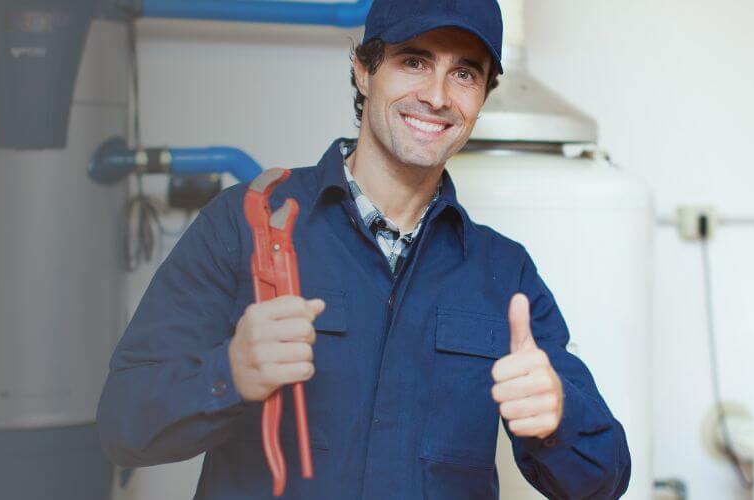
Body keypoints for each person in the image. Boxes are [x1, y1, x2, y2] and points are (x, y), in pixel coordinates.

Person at [96, 0, 631, 498]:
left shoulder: (504, 273)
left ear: (483, 96)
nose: (438, 96)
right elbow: (123, 427)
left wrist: (558, 418)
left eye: (465, 73)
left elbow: (605, 481)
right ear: (363, 69)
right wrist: (228, 374)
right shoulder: (244, 225)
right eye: (414, 61)